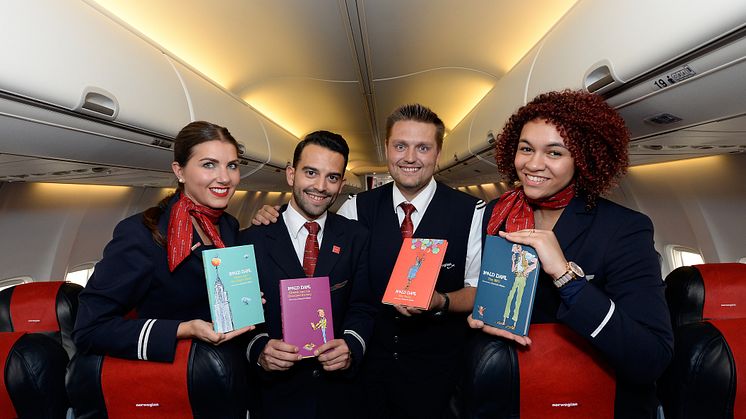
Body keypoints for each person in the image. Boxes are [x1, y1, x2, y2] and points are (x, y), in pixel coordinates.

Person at [254, 104, 484, 418]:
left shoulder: (472, 212)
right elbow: (316, 232)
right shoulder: (355, 208)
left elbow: (477, 290)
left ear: (438, 152)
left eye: (423, 147)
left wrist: (440, 301)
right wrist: (276, 216)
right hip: (365, 374)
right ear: (387, 149)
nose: (410, 157)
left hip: (437, 374)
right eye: (400, 146)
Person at [469, 90, 674, 417]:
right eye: (526, 149)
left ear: (584, 158)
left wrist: (565, 276)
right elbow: (498, 296)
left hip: (594, 397)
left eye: (554, 152)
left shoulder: (624, 229)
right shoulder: (499, 212)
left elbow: (650, 357)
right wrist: (482, 316)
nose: (533, 164)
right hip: (516, 392)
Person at [73, 121, 253, 362]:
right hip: (179, 376)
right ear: (179, 171)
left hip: (229, 366)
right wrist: (185, 329)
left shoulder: (228, 225)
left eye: (232, 166)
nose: (225, 178)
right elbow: (89, 330)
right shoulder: (141, 234)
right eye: (209, 165)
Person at [241, 130, 376, 419]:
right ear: (291, 174)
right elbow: (243, 317)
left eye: (332, 177)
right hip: (276, 396)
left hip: (339, 396)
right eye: (311, 172)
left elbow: (362, 306)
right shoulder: (251, 239)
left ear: (341, 184)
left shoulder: (356, 237)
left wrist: (351, 346)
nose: (321, 186)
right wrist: (259, 351)